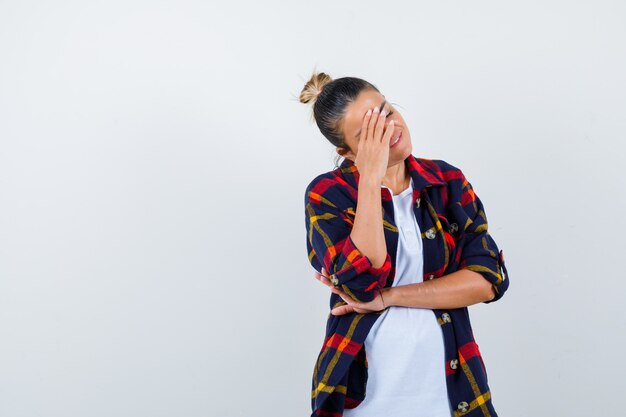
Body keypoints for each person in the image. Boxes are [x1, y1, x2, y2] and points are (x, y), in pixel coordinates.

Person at [300, 71, 510, 417]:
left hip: (451, 391)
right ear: (346, 151)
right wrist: (370, 178)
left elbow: (487, 280)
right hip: (364, 396)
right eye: (368, 134)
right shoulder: (327, 193)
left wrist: (390, 296)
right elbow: (362, 284)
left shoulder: (447, 181)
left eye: (386, 113)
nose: (390, 130)